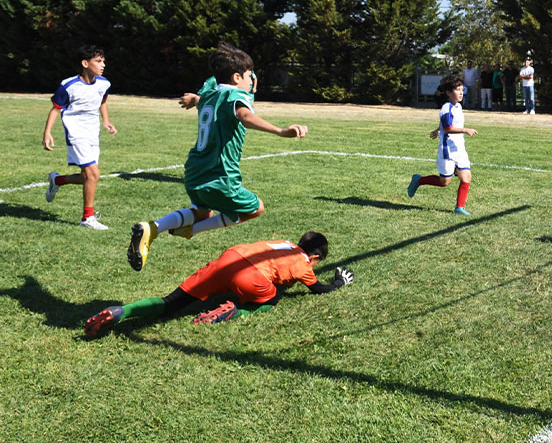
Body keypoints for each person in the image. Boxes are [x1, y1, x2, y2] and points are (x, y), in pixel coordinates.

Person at [126, 42, 308, 271]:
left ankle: (153, 227)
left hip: (194, 172)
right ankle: (191, 231)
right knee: (255, 208)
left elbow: (206, 101)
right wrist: (281, 131)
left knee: (203, 212)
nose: (252, 80)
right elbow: (244, 115)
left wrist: (194, 100)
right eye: (250, 75)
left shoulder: (210, 95)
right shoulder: (234, 96)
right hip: (220, 175)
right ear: (236, 77)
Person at [85, 231, 354, 337]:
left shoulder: (283, 243)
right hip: (250, 276)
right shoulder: (303, 262)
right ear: (315, 257)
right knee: (272, 300)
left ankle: (122, 311)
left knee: (171, 304)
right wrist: (339, 282)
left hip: (230, 258)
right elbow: (318, 288)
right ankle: (234, 310)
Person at [42, 45, 118, 230]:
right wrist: (47, 133)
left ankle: (57, 180)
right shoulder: (68, 86)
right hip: (76, 133)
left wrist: (106, 121)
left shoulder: (104, 83)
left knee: (87, 177)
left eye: (103, 61)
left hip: (93, 133)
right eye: (98, 61)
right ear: (85, 63)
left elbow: (103, 102)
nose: (103, 65)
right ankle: (87, 218)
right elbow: (55, 109)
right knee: (94, 174)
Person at [406, 74, 477, 215]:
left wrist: (438, 129)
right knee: (444, 182)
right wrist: (465, 130)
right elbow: (448, 128)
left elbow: (443, 125)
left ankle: (459, 208)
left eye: (462, 89)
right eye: (458, 90)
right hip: (447, 151)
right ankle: (419, 180)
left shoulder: (458, 107)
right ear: (449, 93)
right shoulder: (446, 108)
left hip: (459, 149)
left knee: (466, 177)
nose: (461, 92)